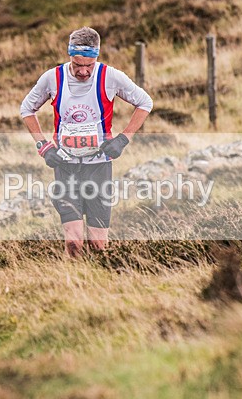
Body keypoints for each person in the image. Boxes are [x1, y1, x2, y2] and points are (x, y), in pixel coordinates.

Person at [20, 27, 153, 257]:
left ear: (97, 57)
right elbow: (26, 108)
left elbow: (145, 102)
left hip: (99, 166)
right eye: (76, 64)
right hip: (65, 166)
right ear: (69, 56)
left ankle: (99, 282)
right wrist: (43, 146)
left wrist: (123, 139)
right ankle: (73, 284)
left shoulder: (110, 77)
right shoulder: (53, 78)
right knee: (73, 242)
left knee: (98, 245)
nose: (82, 71)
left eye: (88, 65)